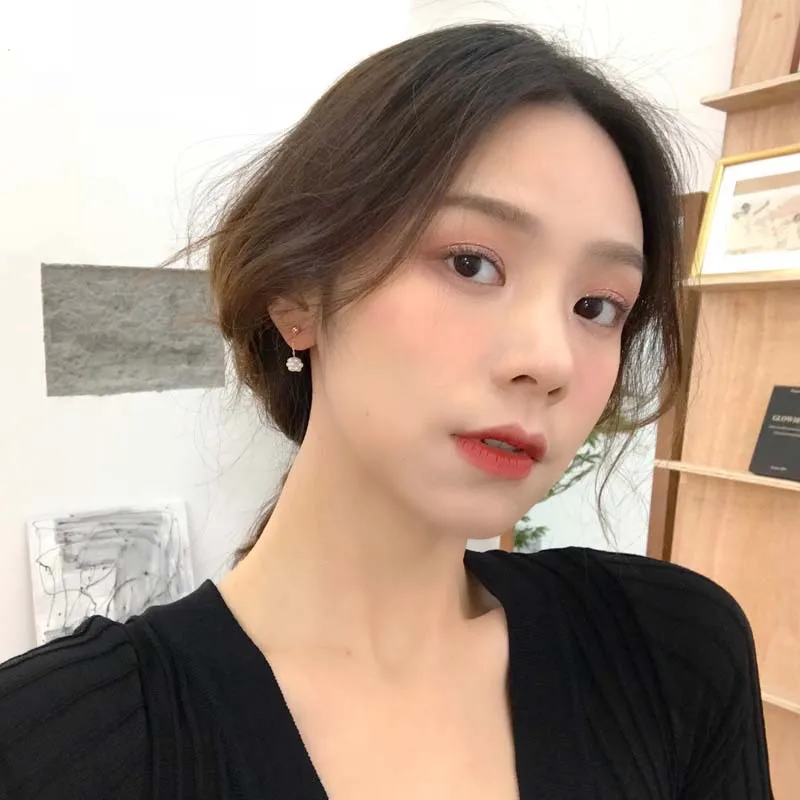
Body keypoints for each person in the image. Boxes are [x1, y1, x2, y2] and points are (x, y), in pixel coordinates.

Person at [0, 22, 773, 800]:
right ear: (298, 294)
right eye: (472, 263)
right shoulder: (49, 749)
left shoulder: (674, 654)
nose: (550, 361)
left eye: (597, 306)